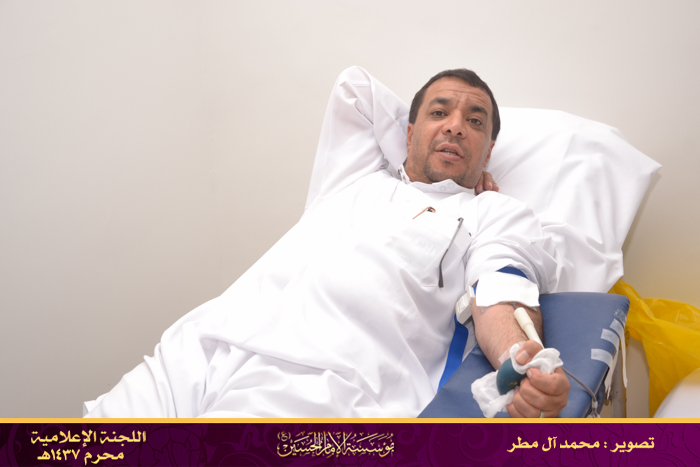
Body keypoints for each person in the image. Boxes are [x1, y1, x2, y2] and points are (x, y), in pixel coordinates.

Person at [84, 67, 569, 418]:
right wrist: (416, 152)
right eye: (439, 113)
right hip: (205, 346)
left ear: (489, 150)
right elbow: (353, 87)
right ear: (407, 133)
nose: (456, 125)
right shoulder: (355, 179)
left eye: (475, 122)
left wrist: (522, 362)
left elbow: (501, 294)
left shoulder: (495, 211)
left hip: (324, 381)